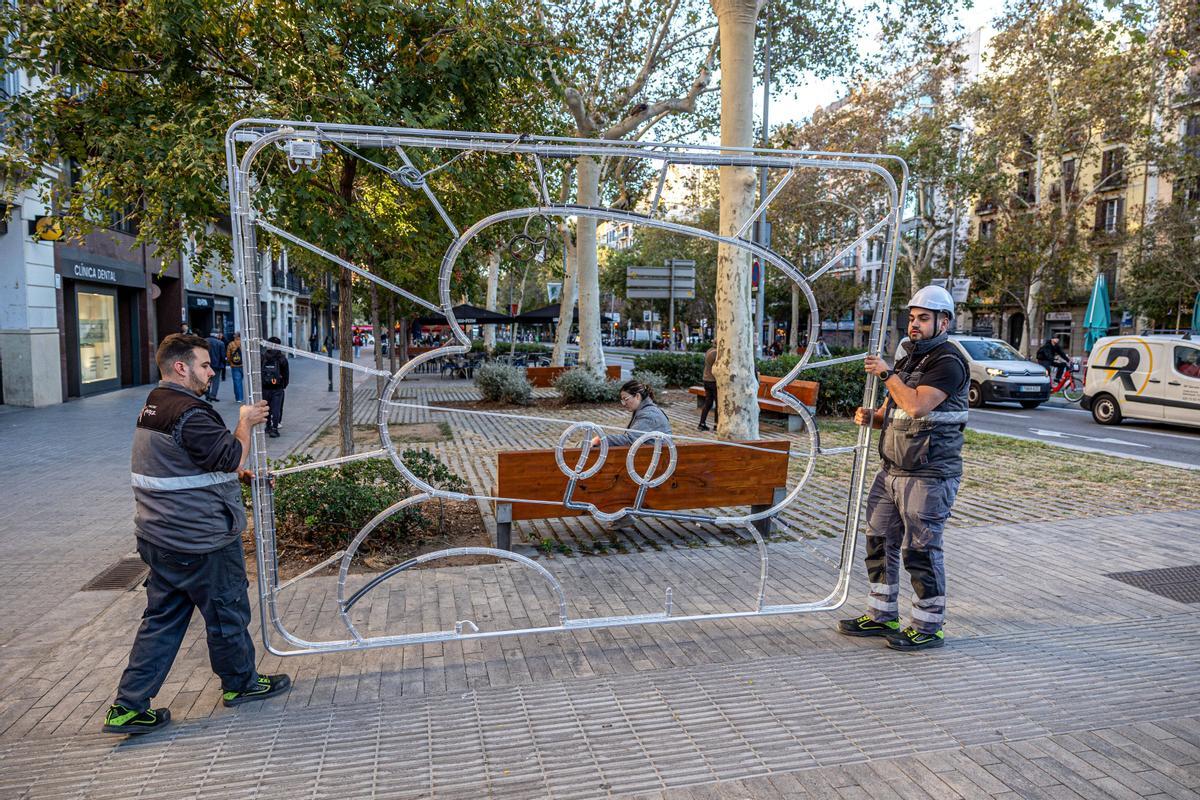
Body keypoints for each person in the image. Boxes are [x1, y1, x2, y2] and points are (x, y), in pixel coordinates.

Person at [104, 334, 290, 735]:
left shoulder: (155, 405)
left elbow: (180, 462)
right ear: (180, 367)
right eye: (205, 365)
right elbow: (225, 455)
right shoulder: (191, 413)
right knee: (226, 613)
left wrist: (235, 474)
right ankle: (240, 685)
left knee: (162, 619)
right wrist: (244, 424)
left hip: (159, 537)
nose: (213, 371)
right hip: (200, 539)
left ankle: (128, 706)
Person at [839, 285, 969, 652]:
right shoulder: (910, 358)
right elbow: (896, 408)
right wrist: (874, 417)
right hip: (893, 468)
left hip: (929, 473)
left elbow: (916, 407)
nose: (914, 325)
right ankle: (882, 615)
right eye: (912, 318)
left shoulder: (948, 361)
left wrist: (885, 373)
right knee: (878, 539)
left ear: (944, 322)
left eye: (923, 318)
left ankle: (928, 627)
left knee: (921, 549)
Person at [592, 379, 672, 448]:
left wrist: (600, 439)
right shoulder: (645, 410)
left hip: (654, 461)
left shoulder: (649, 415)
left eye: (625, 399)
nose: (624, 404)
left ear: (637, 396)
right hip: (651, 458)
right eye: (622, 400)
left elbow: (630, 440)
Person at [261, 336, 290, 438]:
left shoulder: (263, 357)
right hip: (277, 387)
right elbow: (286, 374)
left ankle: (267, 426)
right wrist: (283, 385)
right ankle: (274, 428)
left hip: (265, 387)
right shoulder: (282, 358)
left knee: (266, 407)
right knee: (276, 408)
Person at [699, 346, 718, 431]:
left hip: (706, 379)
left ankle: (702, 423)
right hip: (713, 380)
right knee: (718, 404)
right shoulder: (716, 353)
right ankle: (716, 425)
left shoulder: (709, 350)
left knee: (708, 403)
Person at [205, 330, 225, 402]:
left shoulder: (205, 341)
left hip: (206, 365)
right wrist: (223, 363)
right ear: (217, 335)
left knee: (207, 379)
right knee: (216, 381)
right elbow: (223, 356)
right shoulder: (220, 343)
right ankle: (213, 395)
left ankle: (207, 394)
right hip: (217, 365)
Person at [226, 332, 245, 404]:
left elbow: (228, 355)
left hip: (235, 366)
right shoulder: (245, 343)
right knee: (248, 381)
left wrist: (230, 362)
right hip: (244, 365)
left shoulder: (231, 344)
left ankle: (239, 398)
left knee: (237, 382)